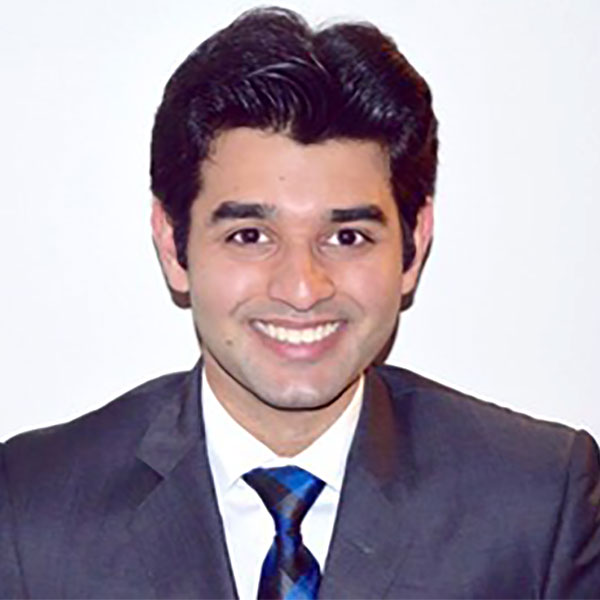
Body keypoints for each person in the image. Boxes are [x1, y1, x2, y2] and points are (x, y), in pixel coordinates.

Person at [1, 6, 599, 599]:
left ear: (413, 245)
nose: (302, 288)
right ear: (173, 244)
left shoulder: (538, 503)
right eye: (249, 236)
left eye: (347, 237)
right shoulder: (29, 509)